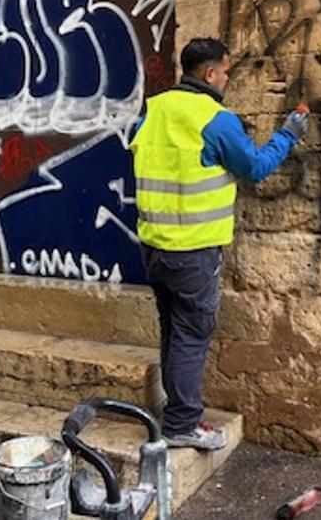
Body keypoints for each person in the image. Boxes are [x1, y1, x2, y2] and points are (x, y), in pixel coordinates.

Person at [129, 38, 309, 451]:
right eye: (226, 72)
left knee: (174, 332)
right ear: (210, 74)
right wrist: (288, 135)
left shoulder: (153, 110)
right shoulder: (216, 119)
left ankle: (177, 414)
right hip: (193, 251)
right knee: (191, 335)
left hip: (154, 247)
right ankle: (181, 423)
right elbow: (256, 167)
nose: (227, 79)